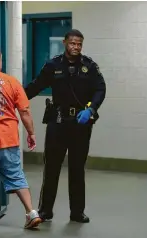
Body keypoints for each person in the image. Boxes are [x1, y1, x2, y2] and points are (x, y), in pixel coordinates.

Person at [24, 29, 106, 223]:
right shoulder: (53, 65)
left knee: (77, 168)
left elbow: (100, 89)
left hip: (81, 123)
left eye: (79, 44)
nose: (76, 47)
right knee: (51, 167)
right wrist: (17, 98)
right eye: (72, 43)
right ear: (65, 42)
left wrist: (91, 109)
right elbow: (36, 85)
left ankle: (77, 212)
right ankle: (46, 211)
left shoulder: (89, 66)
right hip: (57, 122)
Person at [0, 45, 42, 232]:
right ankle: (31, 212)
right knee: (17, 176)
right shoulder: (11, 81)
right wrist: (31, 133)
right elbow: (24, 111)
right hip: (9, 138)